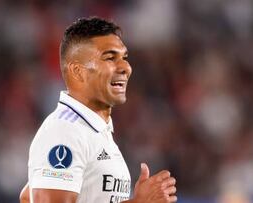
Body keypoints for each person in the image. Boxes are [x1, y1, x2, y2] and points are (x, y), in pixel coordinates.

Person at [19, 17, 177, 203]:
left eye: (124, 57)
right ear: (78, 71)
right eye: (110, 58)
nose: (125, 67)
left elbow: (27, 196)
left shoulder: (94, 130)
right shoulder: (64, 130)